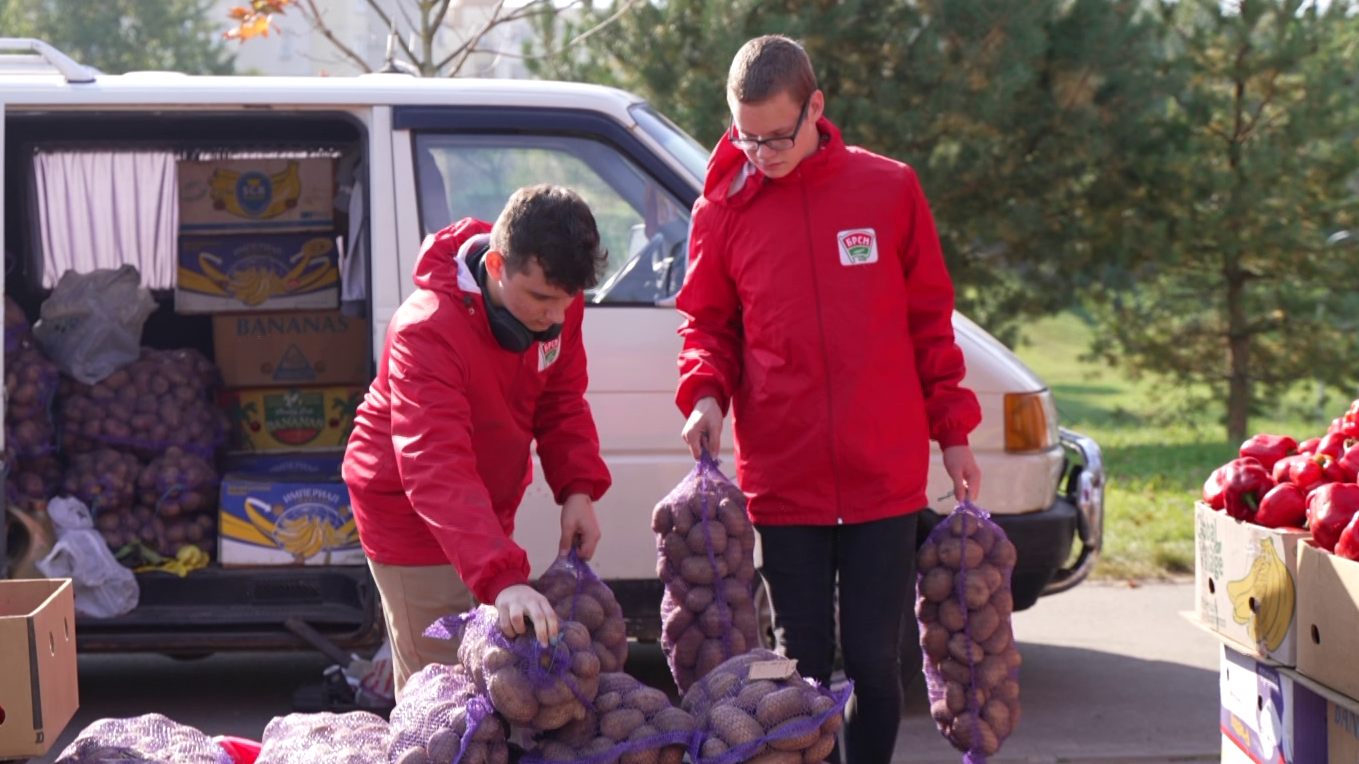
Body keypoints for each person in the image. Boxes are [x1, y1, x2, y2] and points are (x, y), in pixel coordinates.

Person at [674, 35, 984, 764]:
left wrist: (954, 435)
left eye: (776, 136)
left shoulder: (888, 189)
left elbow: (928, 324)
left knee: (877, 664)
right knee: (801, 666)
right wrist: (706, 395)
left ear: (815, 106)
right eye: (744, 137)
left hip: (883, 474)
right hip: (784, 477)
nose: (760, 152)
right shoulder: (722, 211)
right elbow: (707, 325)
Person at [342, 184, 613, 697]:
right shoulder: (424, 329)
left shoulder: (556, 303)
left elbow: (561, 400)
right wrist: (503, 576)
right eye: (541, 300)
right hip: (410, 514)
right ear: (494, 266)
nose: (555, 317)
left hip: (482, 507)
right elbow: (435, 464)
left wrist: (578, 489)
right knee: (443, 694)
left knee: (490, 681)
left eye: (567, 301)